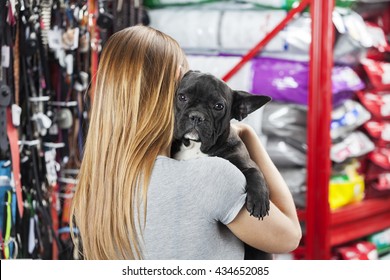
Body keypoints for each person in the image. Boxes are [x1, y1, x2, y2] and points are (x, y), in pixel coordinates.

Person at [70, 25, 302, 260]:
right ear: (175, 78)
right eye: (183, 93)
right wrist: (249, 138)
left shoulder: (95, 182)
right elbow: (289, 236)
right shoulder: (211, 176)